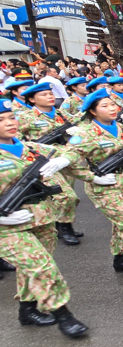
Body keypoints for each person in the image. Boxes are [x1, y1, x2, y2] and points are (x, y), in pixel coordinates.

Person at [0, 98, 89, 338]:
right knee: (43, 266)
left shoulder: (31, 148)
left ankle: (27, 310)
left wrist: (64, 159)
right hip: (6, 229)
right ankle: (64, 316)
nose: (9, 123)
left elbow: (71, 149)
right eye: (1, 120)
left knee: (32, 267)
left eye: (11, 117)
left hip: (41, 219)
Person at [67, 88, 123, 283]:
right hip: (103, 186)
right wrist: (91, 177)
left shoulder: (120, 128)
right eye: (104, 106)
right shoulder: (85, 133)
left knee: (121, 222)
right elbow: (68, 161)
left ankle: (120, 258)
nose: (111, 108)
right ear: (93, 111)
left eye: (112, 104)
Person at [17, 82, 82, 245]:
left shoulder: (61, 114)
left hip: (64, 159)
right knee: (67, 196)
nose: (50, 97)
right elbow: (16, 138)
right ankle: (64, 227)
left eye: (50, 94)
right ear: (32, 99)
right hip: (44, 162)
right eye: (44, 95)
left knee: (68, 194)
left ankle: (62, 225)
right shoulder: (26, 117)